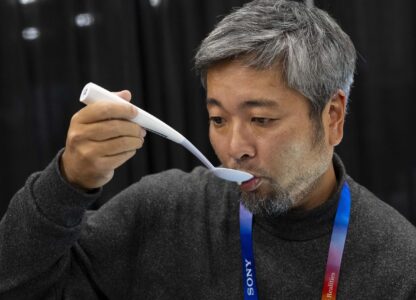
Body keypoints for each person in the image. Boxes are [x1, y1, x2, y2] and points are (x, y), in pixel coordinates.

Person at [1, 0, 415, 299]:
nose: (234, 148)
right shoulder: (164, 211)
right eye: (218, 119)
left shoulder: (398, 263)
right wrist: (68, 183)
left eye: (261, 120)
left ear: (332, 118)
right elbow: (18, 283)